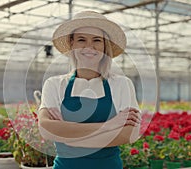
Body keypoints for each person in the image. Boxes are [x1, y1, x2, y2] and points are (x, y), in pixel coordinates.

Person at [38, 11, 141, 169]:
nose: (89, 46)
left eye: (97, 40)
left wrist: (66, 137)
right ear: (72, 43)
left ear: (104, 45)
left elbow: (129, 134)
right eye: (81, 40)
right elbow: (45, 129)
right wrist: (108, 125)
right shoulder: (54, 84)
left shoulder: (122, 84)